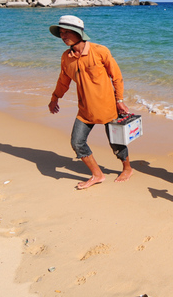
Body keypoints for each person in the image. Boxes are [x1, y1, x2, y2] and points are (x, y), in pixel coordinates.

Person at [47, 15, 133, 189]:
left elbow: (116, 76)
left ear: (79, 33)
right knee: (77, 142)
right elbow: (63, 81)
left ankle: (127, 168)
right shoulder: (66, 57)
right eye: (61, 33)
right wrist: (54, 97)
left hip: (108, 108)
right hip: (85, 110)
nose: (63, 36)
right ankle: (97, 174)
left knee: (116, 143)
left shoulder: (100, 51)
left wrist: (120, 100)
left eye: (67, 32)